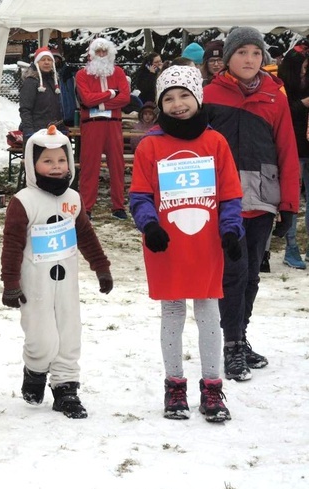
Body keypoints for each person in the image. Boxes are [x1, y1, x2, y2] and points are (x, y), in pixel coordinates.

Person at [130, 66, 244, 422]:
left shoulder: (215, 142)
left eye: (184, 96)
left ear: (197, 98)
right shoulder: (151, 144)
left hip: (206, 242)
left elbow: (230, 195)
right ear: (160, 104)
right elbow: (140, 196)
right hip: (166, 244)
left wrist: (230, 230)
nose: (177, 104)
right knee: (173, 312)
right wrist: (150, 226)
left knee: (208, 312)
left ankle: (212, 386)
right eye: (169, 98)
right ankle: (174, 384)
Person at [203, 27, 300, 381]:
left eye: (256, 53)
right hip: (223, 201)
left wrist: (289, 202)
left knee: (252, 274)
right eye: (242, 52)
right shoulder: (210, 94)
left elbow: (288, 150)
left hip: (263, 198)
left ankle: (240, 338)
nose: (249, 59)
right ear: (228, 57)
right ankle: (230, 345)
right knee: (233, 272)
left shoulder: (275, 97)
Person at [0, 125, 112, 419]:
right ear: (32, 164)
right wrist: (10, 283)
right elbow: (12, 244)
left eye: (61, 160)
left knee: (69, 333)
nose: (55, 166)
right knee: (42, 336)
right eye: (47, 161)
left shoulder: (73, 199)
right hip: (34, 284)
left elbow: (85, 235)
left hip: (66, 283)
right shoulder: (23, 201)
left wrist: (101, 267)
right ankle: (35, 370)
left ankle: (66, 388)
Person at [75, 37, 131, 220]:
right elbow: (87, 100)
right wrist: (110, 94)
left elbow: (125, 98)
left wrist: (99, 102)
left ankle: (118, 205)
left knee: (117, 165)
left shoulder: (119, 73)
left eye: (104, 52)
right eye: (97, 52)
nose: (101, 55)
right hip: (92, 125)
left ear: (110, 53)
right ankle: (86, 206)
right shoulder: (82, 75)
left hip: (113, 123)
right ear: (91, 54)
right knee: (89, 165)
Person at [278, 46, 309, 269]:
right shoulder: (280, 85)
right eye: (303, 67)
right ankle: (291, 249)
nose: (305, 71)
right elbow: (282, 112)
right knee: (291, 203)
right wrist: (303, 104)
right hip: (292, 149)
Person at [19, 46, 64, 139]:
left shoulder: (54, 81)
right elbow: (25, 109)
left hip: (54, 131)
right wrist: (29, 131)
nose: (47, 62)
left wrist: (62, 127)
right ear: (37, 62)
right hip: (36, 132)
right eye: (43, 60)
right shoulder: (31, 82)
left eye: (49, 60)